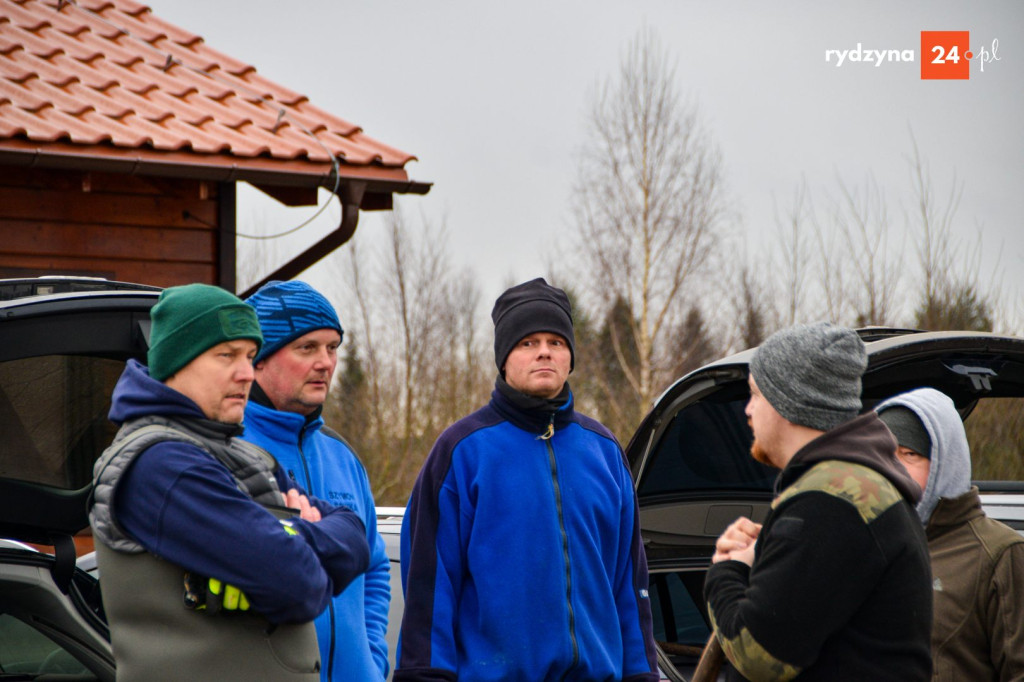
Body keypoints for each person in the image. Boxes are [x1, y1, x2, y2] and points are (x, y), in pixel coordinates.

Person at [89, 283, 370, 682]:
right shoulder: (160, 464)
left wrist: (291, 535)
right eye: (227, 356)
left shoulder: (245, 455)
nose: (245, 373)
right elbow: (299, 584)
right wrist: (307, 529)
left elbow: (356, 534)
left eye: (251, 356)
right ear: (176, 361)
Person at [396, 277, 658, 682]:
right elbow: (430, 588)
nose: (544, 353)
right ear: (504, 358)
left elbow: (630, 583)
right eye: (527, 343)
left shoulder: (605, 453)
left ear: (570, 356)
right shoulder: (462, 452)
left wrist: (641, 675)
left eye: (556, 342)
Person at [703, 322, 932, 681]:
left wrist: (727, 570)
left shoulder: (830, 505)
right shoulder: (858, 489)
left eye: (756, 394)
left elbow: (759, 655)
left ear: (788, 402)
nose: (747, 410)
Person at [243, 280, 390, 682]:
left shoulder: (343, 457)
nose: (325, 362)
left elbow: (375, 567)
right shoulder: (227, 451)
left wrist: (372, 661)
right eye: (307, 348)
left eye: (332, 347)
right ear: (257, 360)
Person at [877, 387, 1024, 681]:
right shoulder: (866, 544)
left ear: (945, 463)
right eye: (883, 454)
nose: (892, 470)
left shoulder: (999, 553)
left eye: (909, 454)